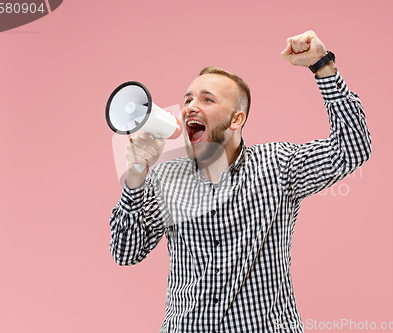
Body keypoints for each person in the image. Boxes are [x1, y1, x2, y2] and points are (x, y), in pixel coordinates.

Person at [109, 30, 372, 333]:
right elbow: (126, 252)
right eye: (188, 99)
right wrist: (135, 178)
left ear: (236, 119)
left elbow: (352, 149)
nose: (191, 106)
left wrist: (323, 67)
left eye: (207, 99)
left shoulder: (278, 165)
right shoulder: (166, 178)